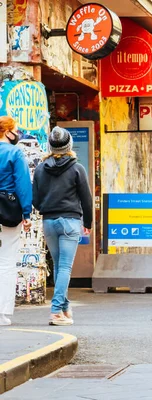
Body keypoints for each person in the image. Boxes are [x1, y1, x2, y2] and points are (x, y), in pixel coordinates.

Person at [33, 127, 93, 326]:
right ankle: (56, 310)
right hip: (69, 221)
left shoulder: (41, 168)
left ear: (50, 146)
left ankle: (65, 307)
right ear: (69, 145)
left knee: (59, 266)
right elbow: (86, 198)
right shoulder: (77, 168)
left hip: (49, 222)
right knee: (65, 267)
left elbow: (35, 198)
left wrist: (46, 208)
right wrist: (88, 223)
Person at [0, 116, 32, 326]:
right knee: (6, 262)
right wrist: (26, 213)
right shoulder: (14, 152)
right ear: (7, 131)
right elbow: (22, 184)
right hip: (7, 210)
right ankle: (2, 313)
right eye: (16, 130)